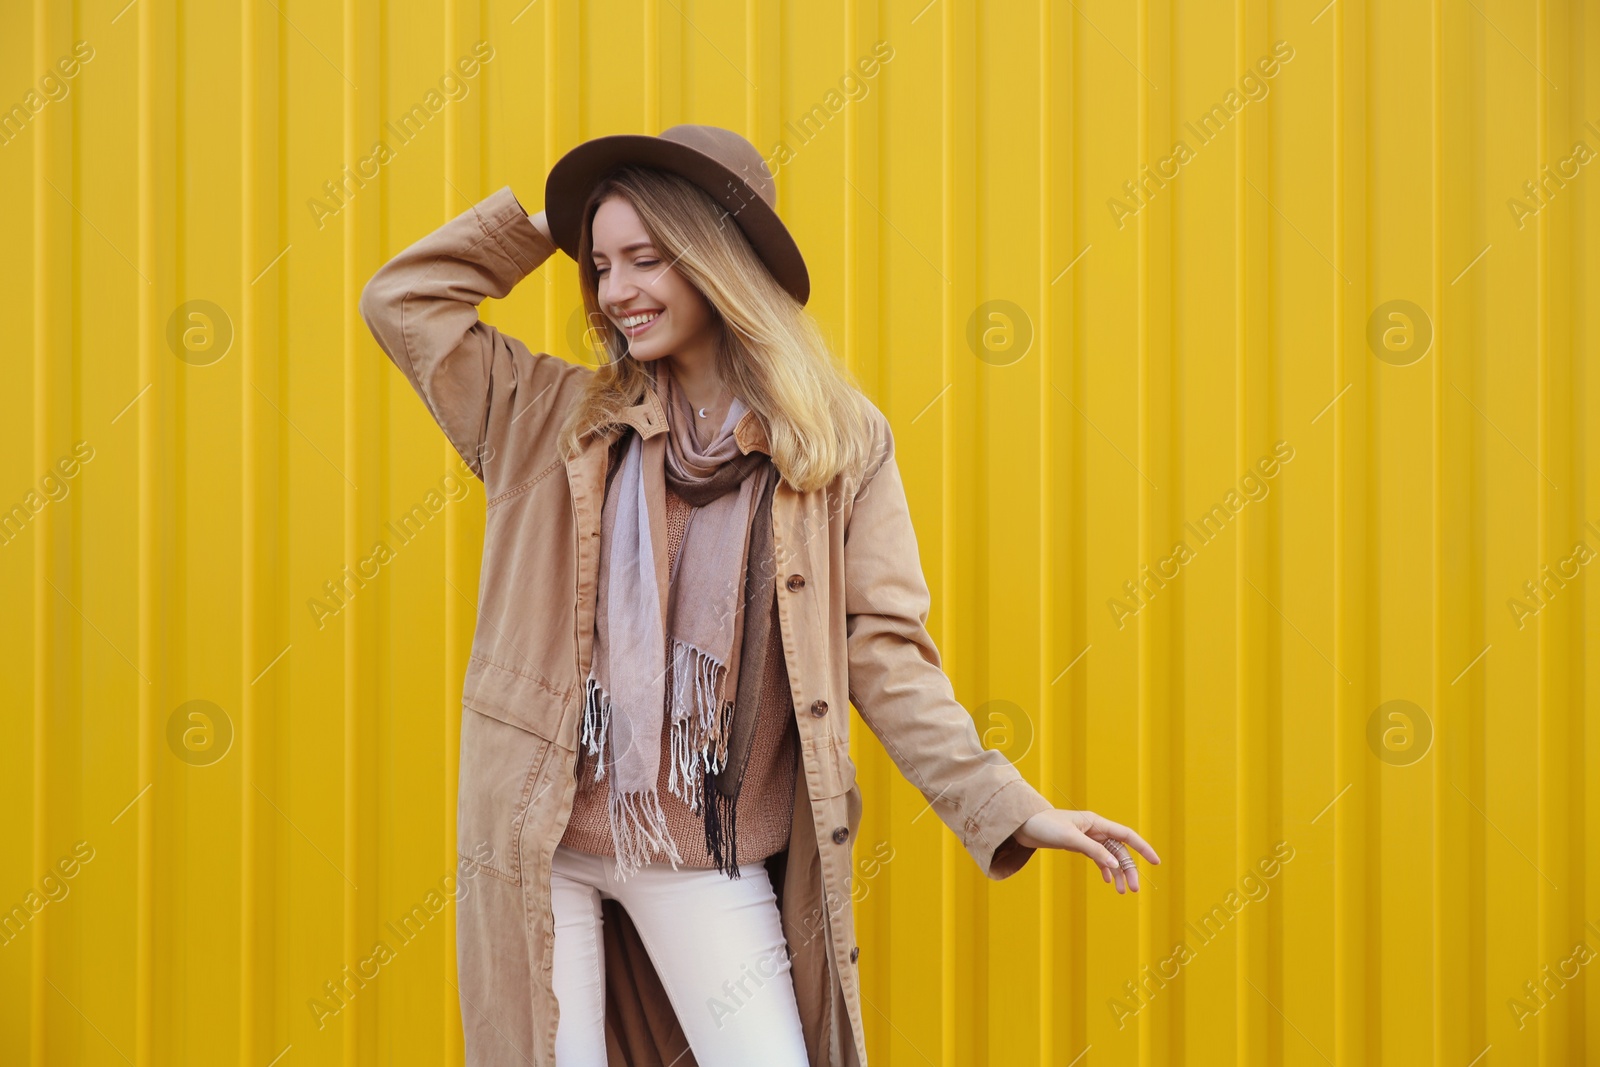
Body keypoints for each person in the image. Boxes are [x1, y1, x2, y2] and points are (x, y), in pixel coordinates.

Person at [359, 123, 1159, 1067]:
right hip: (544, 844)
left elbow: (884, 650)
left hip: (705, 849)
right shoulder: (544, 416)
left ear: (717, 259)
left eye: (648, 258)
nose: (616, 292)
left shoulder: (836, 447)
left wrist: (1005, 802)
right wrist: (556, 216)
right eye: (602, 265)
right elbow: (402, 301)